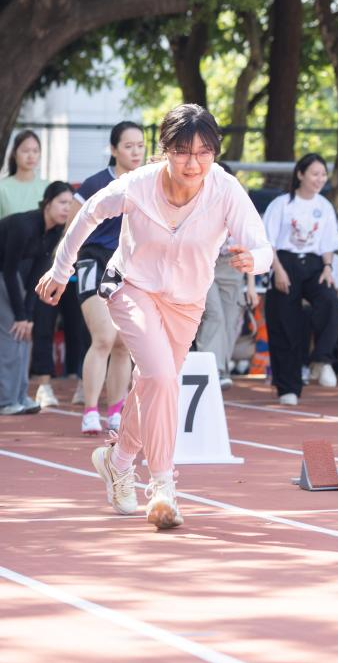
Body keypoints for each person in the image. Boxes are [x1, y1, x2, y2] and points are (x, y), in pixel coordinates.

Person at [37, 104, 272, 530]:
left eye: (204, 153)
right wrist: (61, 269)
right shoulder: (139, 184)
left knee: (151, 386)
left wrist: (252, 260)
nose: (193, 164)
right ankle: (163, 486)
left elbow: (263, 247)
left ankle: (117, 460)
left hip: (187, 303)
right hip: (132, 287)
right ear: (165, 150)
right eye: (182, 152)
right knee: (162, 378)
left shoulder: (225, 189)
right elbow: (88, 213)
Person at [71, 121, 146, 433]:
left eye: (140, 145)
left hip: (128, 265)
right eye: (128, 146)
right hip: (93, 260)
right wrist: (64, 266)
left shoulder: (148, 183)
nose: (136, 152)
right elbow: (72, 228)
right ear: (114, 150)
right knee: (103, 337)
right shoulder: (95, 184)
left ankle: (116, 410)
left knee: (123, 343)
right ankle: (90, 411)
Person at [263, 154, 338, 405]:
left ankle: (322, 359)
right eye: (315, 174)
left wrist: (328, 267)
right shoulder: (281, 204)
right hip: (284, 262)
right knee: (285, 323)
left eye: (323, 174)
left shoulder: (324, 206)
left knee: (330, 301)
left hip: (315, 264)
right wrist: (277, 269)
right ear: (300, 174)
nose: (320, 179)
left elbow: (328, 243)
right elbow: (267, 241)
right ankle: (288, 387)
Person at [0, 183, 73, 415]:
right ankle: (5, 401)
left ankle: (19, 396)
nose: (67, 208)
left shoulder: (55, 231)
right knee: (12, 332)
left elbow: (36, 274)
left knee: (24, 334)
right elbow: (9, 271)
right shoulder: (23, 226)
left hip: (12, 276)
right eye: (62, 202)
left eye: (70, 204)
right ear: (48, 203)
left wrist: (28, 316)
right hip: (5, 273)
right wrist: (20, 316)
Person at [195, 161, 259, 392]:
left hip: (233, 267)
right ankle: (212, 370)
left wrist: (251, 285)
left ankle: (221, 368)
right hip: (205, 266)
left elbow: (250, 245)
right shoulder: (198, 203)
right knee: (215, 315)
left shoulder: (240, 204)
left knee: (231, 319)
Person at [0, 130, 49, 218]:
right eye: (26, 151)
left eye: (35, 151)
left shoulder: (47, 187)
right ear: (14, 153)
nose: (31, 156)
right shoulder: (2, 188)